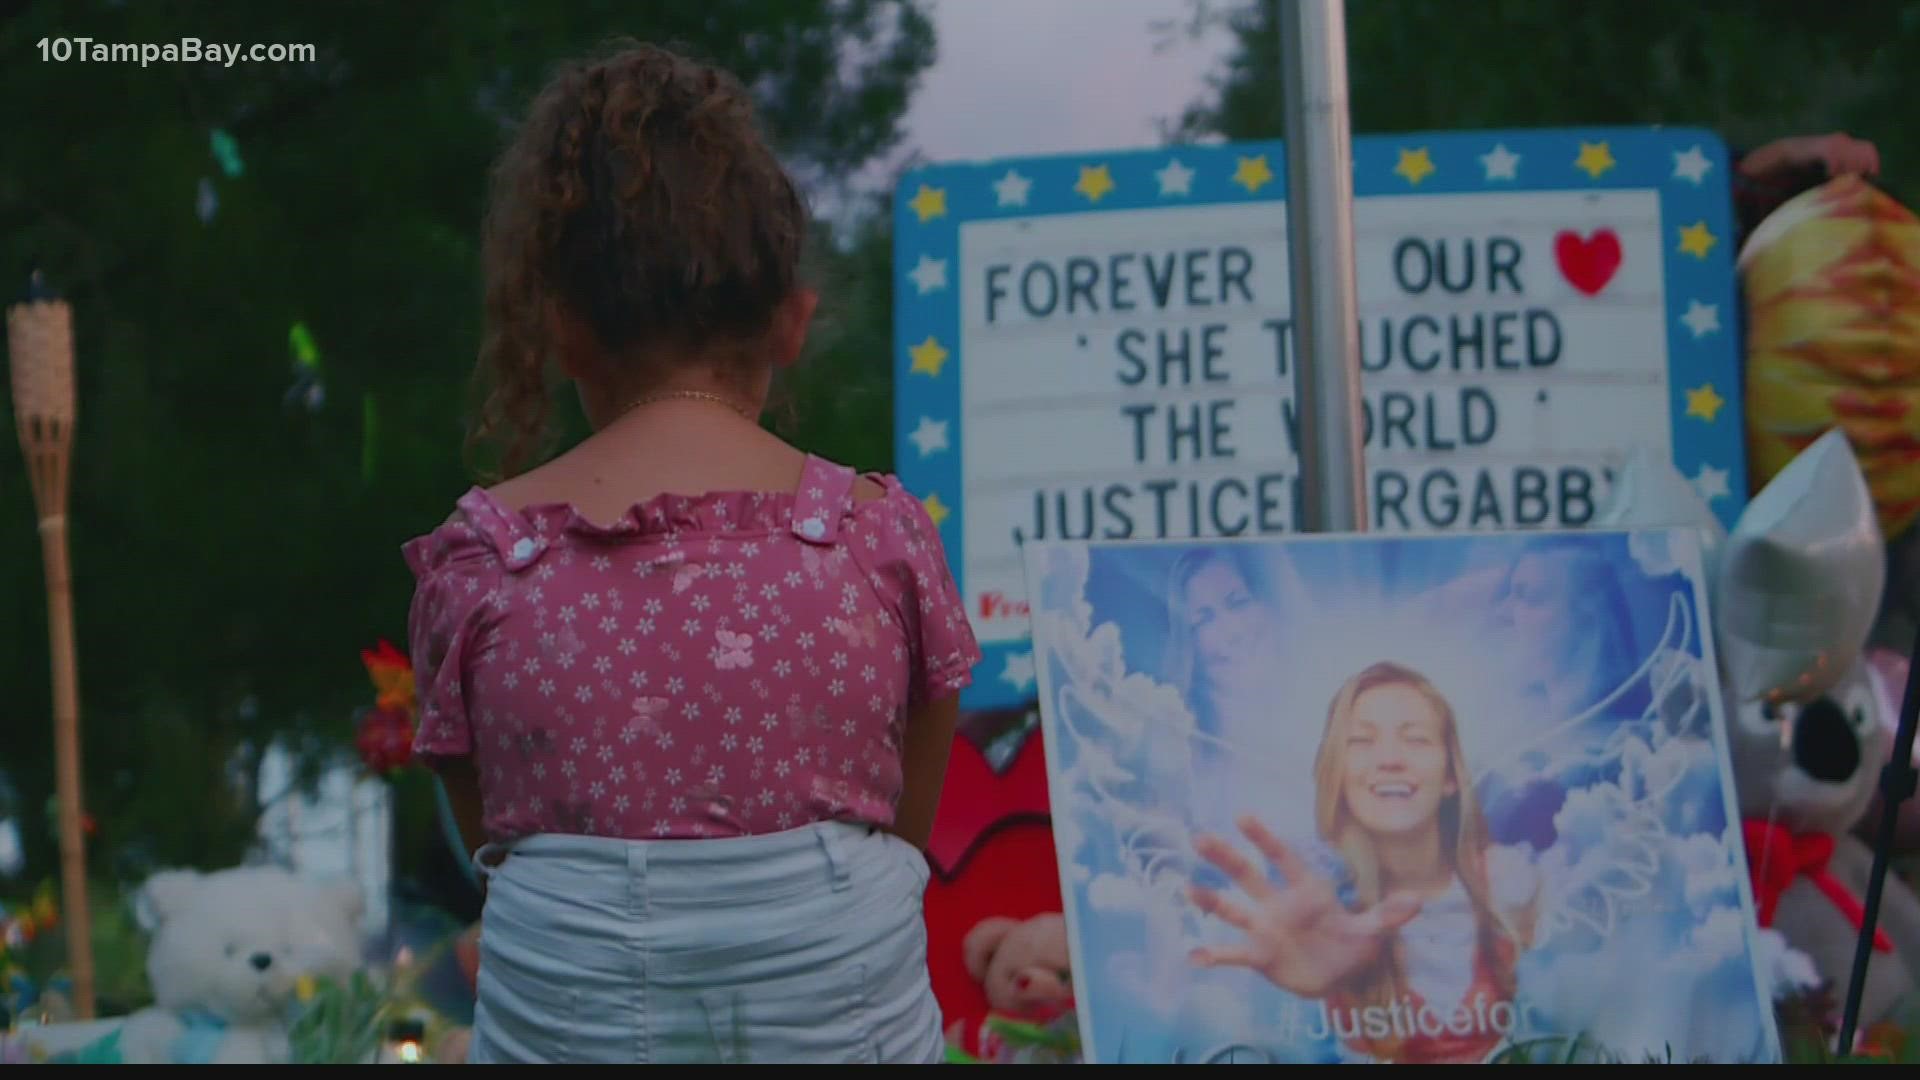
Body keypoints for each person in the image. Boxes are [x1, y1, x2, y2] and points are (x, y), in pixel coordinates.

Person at [400, 41, 981, 1064]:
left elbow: (500, 849)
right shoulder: (875, 541)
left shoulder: (482, 564)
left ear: (562, 331)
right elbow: (904, 826)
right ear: (791, 323)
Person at [1186, 661, 1537, 1064]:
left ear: (1450, 777)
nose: (1389, 759)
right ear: (1337, 776)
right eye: (1362, 741)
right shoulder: (1315, 919)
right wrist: (1294, 996)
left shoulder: (1513, 883)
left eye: (1416, 739)